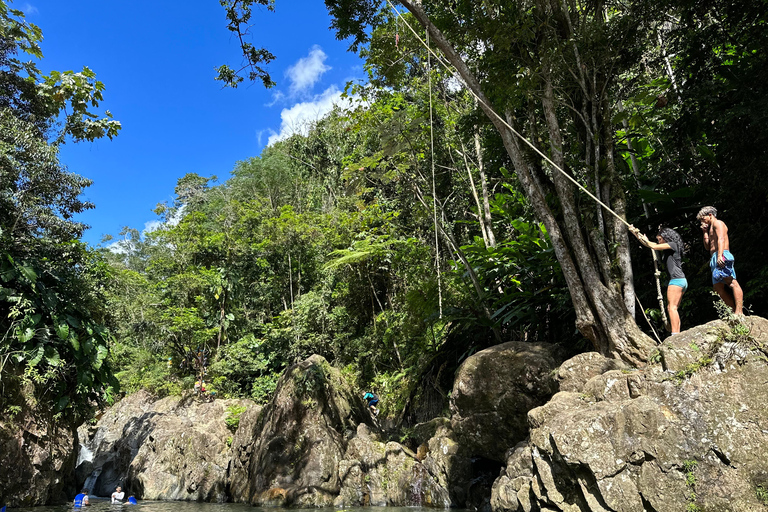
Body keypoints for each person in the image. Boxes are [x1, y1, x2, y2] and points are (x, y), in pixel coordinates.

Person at [631, 226, 687, 334]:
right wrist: (636, 235)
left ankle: (675, 334)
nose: (659, 242)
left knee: (672, 308)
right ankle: (677, 332)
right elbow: (651, 245)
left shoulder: (673, 245)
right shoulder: (670, 248)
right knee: (672, 308)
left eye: (660, 239)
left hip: (676, 281)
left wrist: (644, 239)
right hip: (680, 280)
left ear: (666, 237)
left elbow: (654, 246)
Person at [697, 206, 744, 315]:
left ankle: (739, 311)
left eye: (703, 218)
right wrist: (704, 232)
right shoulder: (710, 228)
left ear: (710, 215)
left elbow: (721, 239)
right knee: (718, 288)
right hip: (714, 257)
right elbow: (708, 247)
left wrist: (720, 256)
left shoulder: (718, 223)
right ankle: (732, 311)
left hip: (722, 254)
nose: (702, 221)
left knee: (731, 282)